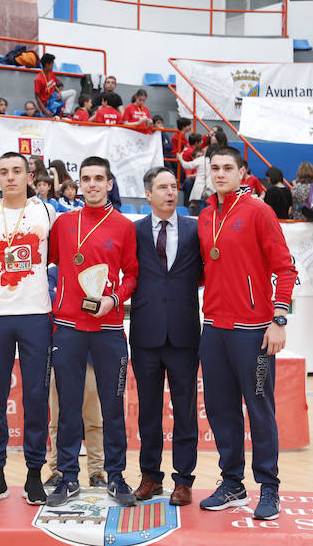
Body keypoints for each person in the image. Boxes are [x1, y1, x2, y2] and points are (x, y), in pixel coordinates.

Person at [196, 146, 296, 520]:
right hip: (214, 330)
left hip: (253, 331)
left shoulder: (259, 212)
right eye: (214, 168)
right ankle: (233, 484)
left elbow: (286, 268)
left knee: (259, 409)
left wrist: (279, 318)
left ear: (242, 173)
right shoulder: (205, 217)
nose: (220, 174)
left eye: (227, 168)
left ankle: (269, 488)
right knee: (222, 411)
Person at [0, 152, 56, 507]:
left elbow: (56, 255)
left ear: (29, 175)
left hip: (36, 315)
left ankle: (34, 475)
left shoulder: (46, 212)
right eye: (4, 172)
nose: (11, 177)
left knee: (35, 398)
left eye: (17, 171)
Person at [46, 155, 139, 508]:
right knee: (68, 407)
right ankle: (67, 477)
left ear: (109, 184)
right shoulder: (64, 223)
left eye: (99, 178)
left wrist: (114, 299)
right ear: (79, 184)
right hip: (68, 327)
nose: (92, 185)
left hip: (108, 329)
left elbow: (132, 274)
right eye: (86, 179)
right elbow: (46, 260)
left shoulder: (124, 227)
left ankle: (115, 477)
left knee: (112, 407)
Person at [130, 167, 202, 507]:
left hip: (185, 334)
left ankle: (184, 480)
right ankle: (150, 477)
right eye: (162, 187)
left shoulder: (195, 228)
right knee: (148, 413)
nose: (170, 192)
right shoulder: (135, 232)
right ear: (148, 194)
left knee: (185, 412)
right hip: (145, 335)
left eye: (174, 187)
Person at [44, 263, 106, 491]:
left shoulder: (96, 270)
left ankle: (97, 471)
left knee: (94, 418)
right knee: (57, 418)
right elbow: (52, 305)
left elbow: (99, 306)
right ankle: (58, 470)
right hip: (61, 352)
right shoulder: (52, 273)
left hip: (90, 355)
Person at [34, 53, 76, 118]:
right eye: (52, 64)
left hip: (54, 97)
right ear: (47, 65)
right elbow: (37, 97)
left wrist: (59, 92)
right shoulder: (38, 79)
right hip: (46, 104)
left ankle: (66, 114)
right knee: (51, 120)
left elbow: (54, 85)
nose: (53, 66)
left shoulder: (51, 73)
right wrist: (45, 111)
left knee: (73, 92)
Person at [180, 143, 209, 214]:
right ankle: (189, 204)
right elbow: (188, 176)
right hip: (194, 184)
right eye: (198, 156)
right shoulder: (192, 164)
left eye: (202, 156)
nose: (200, 158)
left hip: (204, 187)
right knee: (188, 182)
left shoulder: (206, 163)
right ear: (193, 158)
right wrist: (196, 175)